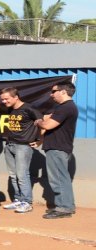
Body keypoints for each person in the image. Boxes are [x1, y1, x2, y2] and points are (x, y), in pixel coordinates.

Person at [35, 81, 78, 219]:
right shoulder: (65, 107)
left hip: (58, 147)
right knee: (60, 178)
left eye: (54, 91)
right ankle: (64, 206)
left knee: (58, 178)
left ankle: (64, 208)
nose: (51, 94)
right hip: (58, 147)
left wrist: (39, 122)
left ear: (63, 92)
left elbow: (48, 125)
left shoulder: (65, 107)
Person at [0, 87, 43, 213]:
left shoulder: (29, 109)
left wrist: (41, 140)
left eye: (6, 99)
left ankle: (27, 202)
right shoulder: (10, 109)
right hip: (9, 145)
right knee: (13, 175)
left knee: (22, 175)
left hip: (23, 146)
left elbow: (42, 123)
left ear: (16, 97)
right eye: (2, 99)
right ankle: (18, 200)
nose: (4, 102)